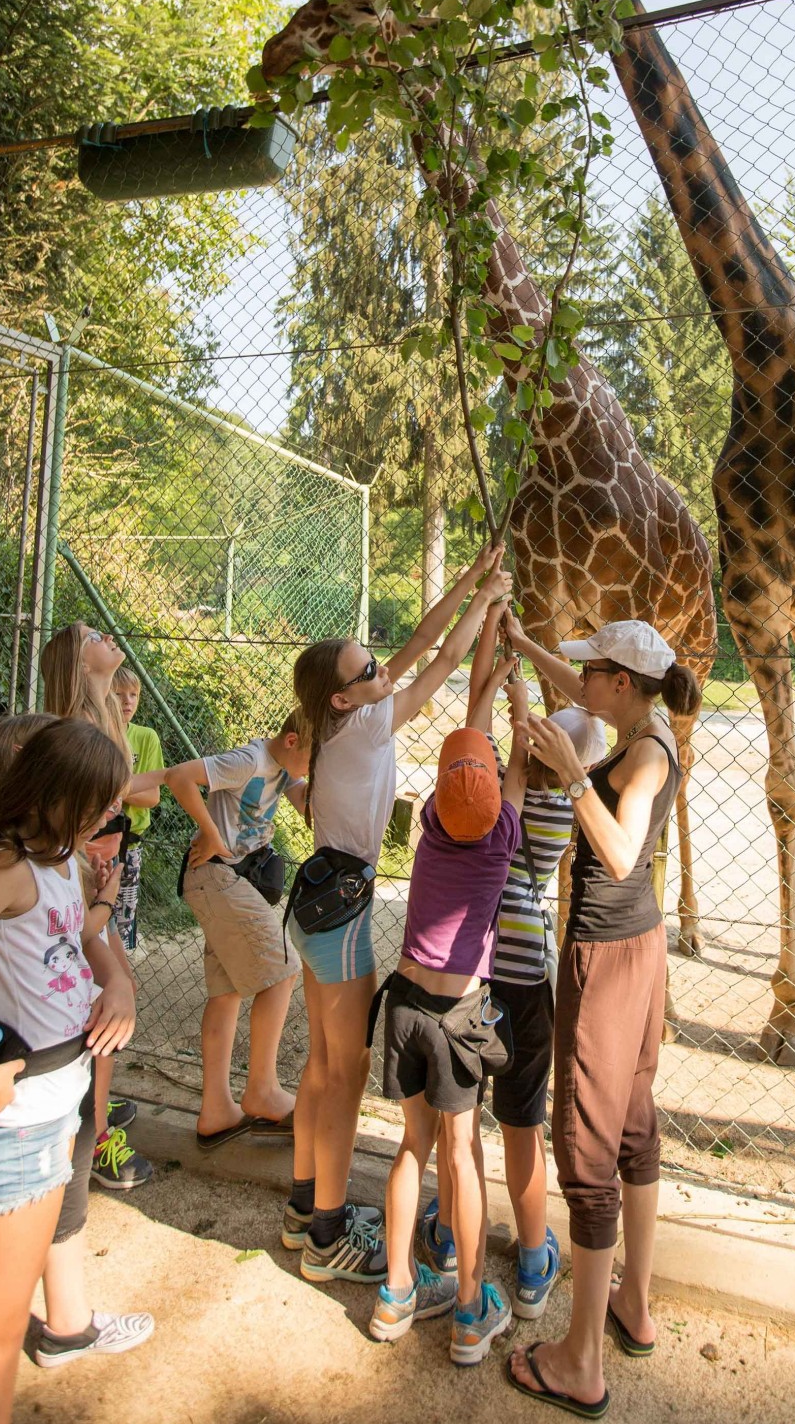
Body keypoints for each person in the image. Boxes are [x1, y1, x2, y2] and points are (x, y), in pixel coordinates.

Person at [286, 546, 512, 1285]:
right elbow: (437, 653)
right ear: (347, 698)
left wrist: (479, 574)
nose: (385, 669)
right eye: (368, 670)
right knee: (344, 1077)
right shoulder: (367, 725)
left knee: (320, 1065)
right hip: (343, 916)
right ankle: (326, 1235)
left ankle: (299, 1210)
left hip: (314, 909)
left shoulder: (340, 724)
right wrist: (486, 596)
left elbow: (419, 649)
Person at [503, 619, 701, 1420]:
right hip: (642, 950)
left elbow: (619, 854)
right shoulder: (644, 724)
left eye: (591, 673)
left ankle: (579, 1361)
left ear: (621, 681)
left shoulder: (645, 756)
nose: (577, 682)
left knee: (587, 1149)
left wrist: (568, 775)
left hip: (605, 957)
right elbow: (576, 677)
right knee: (633, 1130)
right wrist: (525, 643)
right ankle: (634, 1305)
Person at [0, 717, 140, 1424]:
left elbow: (78, 936)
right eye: (92, 808)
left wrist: (114, 977)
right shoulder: (7, 870)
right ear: (53, 795)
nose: (103, 821)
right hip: (20, 1122)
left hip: (55, 1108)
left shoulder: (60, 861)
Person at [424, 604, 606, 1323]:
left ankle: (446, 1234)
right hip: (529, 979)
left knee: (457, 1119)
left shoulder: (474, 807)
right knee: (522, 1125)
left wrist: (500, 681)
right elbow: (555, 743)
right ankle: (534, 1260)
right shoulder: (563, 796)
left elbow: (485, 746)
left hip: (470, 974)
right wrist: (529, 683)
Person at [369, 666, 527, 1363]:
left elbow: (471, 758)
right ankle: (469, 1310)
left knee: (412, 1147)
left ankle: (396, 1293)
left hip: (402, 1005)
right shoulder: (502, 840)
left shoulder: (431, 826)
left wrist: (486, 697)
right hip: (458, 1013)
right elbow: (513, 765)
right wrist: (520, 711)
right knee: (461, 1155)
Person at [41, 623, 159, 1190]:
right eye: (91, 635)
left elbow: (129, 791)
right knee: (105, 996)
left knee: (117, 986)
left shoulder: (109, 719)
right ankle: (91, 1135)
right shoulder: (76, 730)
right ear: (77, 664)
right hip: (77, 883)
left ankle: (92, 1108)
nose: (105, 635)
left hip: (95, 878)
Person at [162, 713, 310, 1145]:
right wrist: (210, 833)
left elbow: (304, 798)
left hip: (225, 881)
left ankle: (215, 1110)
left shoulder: (284, 767)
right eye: (313, 757)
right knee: (283, 968)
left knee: (225, 993)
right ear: (292, 739)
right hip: (216, 875)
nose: (313, 767)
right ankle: (261, 1090)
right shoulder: (250, 759)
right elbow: (177, 778)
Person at [110, 666, 165, 953]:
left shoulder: (146, 737)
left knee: (123, 917)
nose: (127, 701)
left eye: (133, 695)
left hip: (130, 842)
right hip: (94, 839)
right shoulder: (95, 732)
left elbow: (152, 796)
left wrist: (112, 788)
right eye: (119, 695)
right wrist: (130, 788)